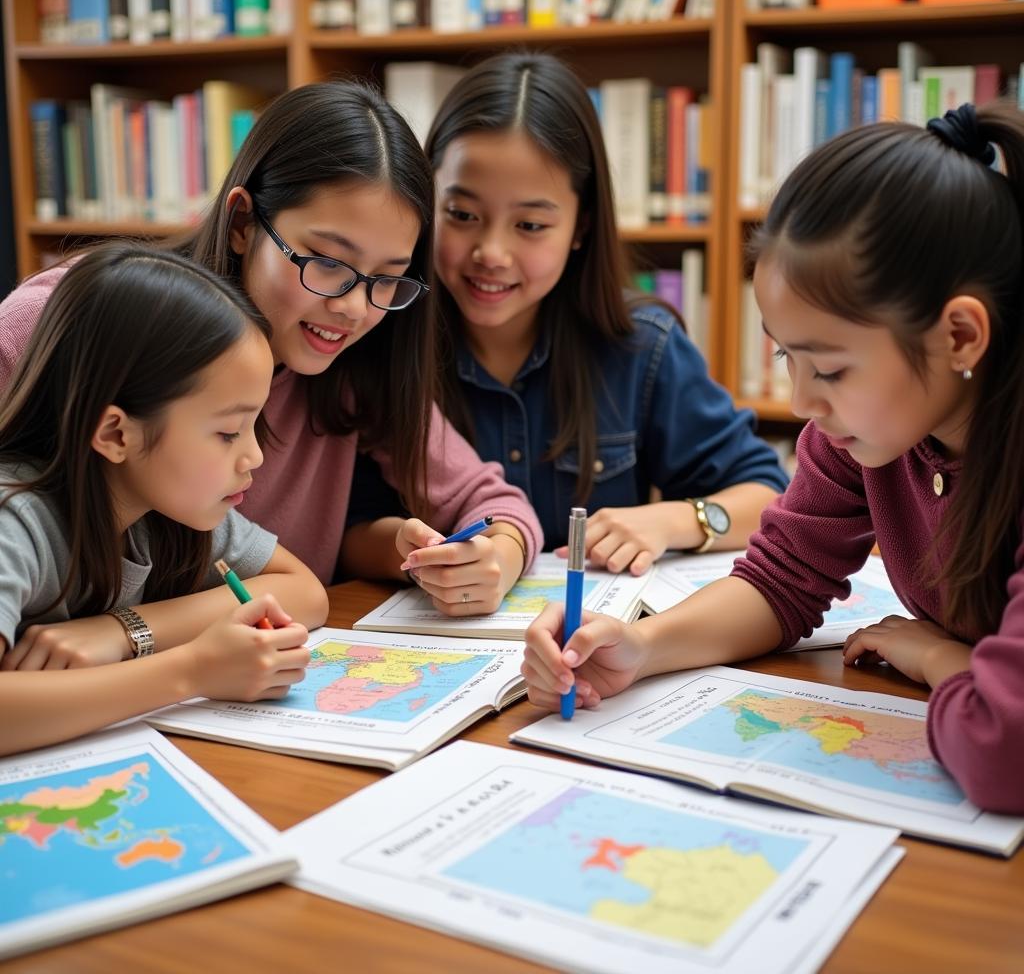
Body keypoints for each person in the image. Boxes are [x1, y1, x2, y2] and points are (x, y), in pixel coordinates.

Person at [521, 102, 1024, 813]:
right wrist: (641, 646)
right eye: (788, 356)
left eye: (830, 369)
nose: (802, 402)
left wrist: (941, 659)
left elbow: (1007, 753)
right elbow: (784, 578)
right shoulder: (867, 435)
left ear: (961, 337)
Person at [0, 81, 542, 617]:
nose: (354, 309)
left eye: (386, 278)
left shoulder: (355, 363)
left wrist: (496, 557)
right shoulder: (72, 317)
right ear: (242, 222)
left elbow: (497, 505)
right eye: (328, 262)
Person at [423, 53, 787, 574]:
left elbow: (767, 494)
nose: (491, 253)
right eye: (461, 215)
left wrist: (669, 522)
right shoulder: (389, 341)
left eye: (530, 226)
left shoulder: (642, 346)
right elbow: (351, 524)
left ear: (580, 227)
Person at [0, 244, 328, 756]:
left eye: (254, 426)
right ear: (115, 433)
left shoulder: (163, 510)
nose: (255, 457)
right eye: (227, 432)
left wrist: (123, 631)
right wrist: (191, 669)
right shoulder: (14, 521)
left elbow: (306, 591)